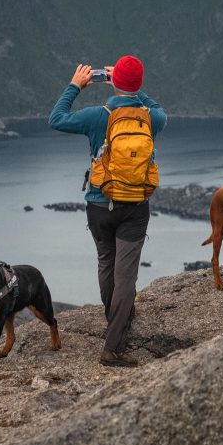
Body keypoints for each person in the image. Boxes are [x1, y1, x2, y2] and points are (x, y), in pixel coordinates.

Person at [48, 56, 167, 367]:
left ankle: (113, 317)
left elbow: (56, 118)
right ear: (139, 84)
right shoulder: (153, 118)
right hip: (136, 207)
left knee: (106, 262)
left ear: (111, 81)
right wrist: (134, 89)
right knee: (126, 276)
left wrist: (75, 86)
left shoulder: (96, 117)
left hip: (100, 205)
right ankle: (113, 345)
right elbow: (160, 109)